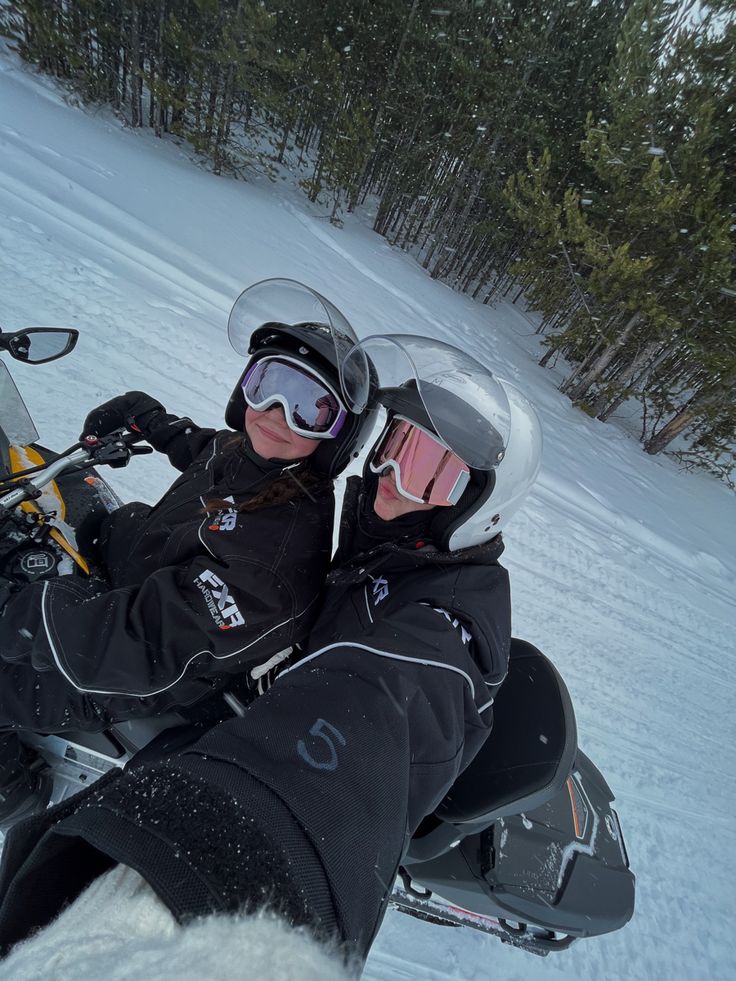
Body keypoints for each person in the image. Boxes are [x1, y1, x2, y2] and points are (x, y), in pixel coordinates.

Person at [0, 336, 542, 973]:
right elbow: (226, 463)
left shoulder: (438, 635)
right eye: (396, 448)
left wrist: (243, 868)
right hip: (195, 623)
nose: (393, 479)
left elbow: (367, 711)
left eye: (430, 473)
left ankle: (19, 783)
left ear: (480, 506)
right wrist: (161, 426)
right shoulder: (401, 537)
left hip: (250, 723)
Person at [0, 278, 373, 735]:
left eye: (309, 408)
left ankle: (19, 785)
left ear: (339, 435)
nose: (277, 411)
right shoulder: (255, 456)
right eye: (270, 383)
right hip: (129, 572)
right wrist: (147, 417)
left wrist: (19, 614)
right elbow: (203, 450)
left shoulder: (273, 564)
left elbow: (139, 644)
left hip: (121, 682)